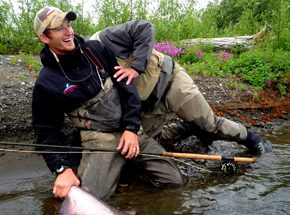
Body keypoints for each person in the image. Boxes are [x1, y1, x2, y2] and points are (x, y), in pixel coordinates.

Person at [32, 7, 184, 199]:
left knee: (174, 181)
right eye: (59, 28)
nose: (69, 31)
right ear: (45, 37)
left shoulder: (96, 49)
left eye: (68, 25)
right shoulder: (46, 82)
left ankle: (123, 168)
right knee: (90, 202)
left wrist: (131, 128)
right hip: (98, 139)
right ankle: (94, 167)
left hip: (130, 133)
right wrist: (62, 169)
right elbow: (45, 132)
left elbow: (127, 89)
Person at [88, 20, 273, 154]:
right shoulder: (80, 73)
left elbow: (145, 28)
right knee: (149, 143)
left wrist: (136, 68)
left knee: (209, 125)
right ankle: (187, 128)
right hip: (146, 106)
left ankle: (253, 139)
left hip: (170, 82)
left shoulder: (104, 39)